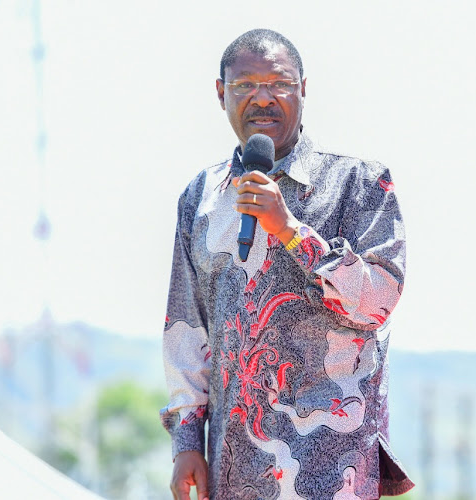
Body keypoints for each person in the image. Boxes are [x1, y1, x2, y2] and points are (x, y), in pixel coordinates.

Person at [160, 28, 413, 500]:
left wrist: (289, 230)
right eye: (245, 85)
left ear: (302, 89)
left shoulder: (358, 184)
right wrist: (186, 443)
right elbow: (185, 329)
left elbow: (377, 302)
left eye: (278, 83)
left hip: (333, 467)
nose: (263, 98)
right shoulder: (200, 198)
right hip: (235, 470)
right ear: (221, 93)